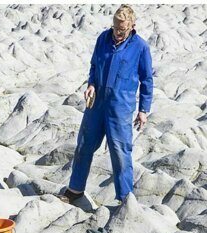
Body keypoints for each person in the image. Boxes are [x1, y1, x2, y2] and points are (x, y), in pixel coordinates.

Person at [60, 4, 153, 205]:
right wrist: (91, 84)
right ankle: (75, 190)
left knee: (120, 152)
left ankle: (124, 198)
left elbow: (147, 80)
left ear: (132, 26)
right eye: (115, 28)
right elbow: (94, 65)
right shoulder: (103, 38)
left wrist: (143, 110)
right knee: (84, 145)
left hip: (120, 107)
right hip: (96, 104)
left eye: (122, 30)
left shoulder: (140, 47)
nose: (118, 33)